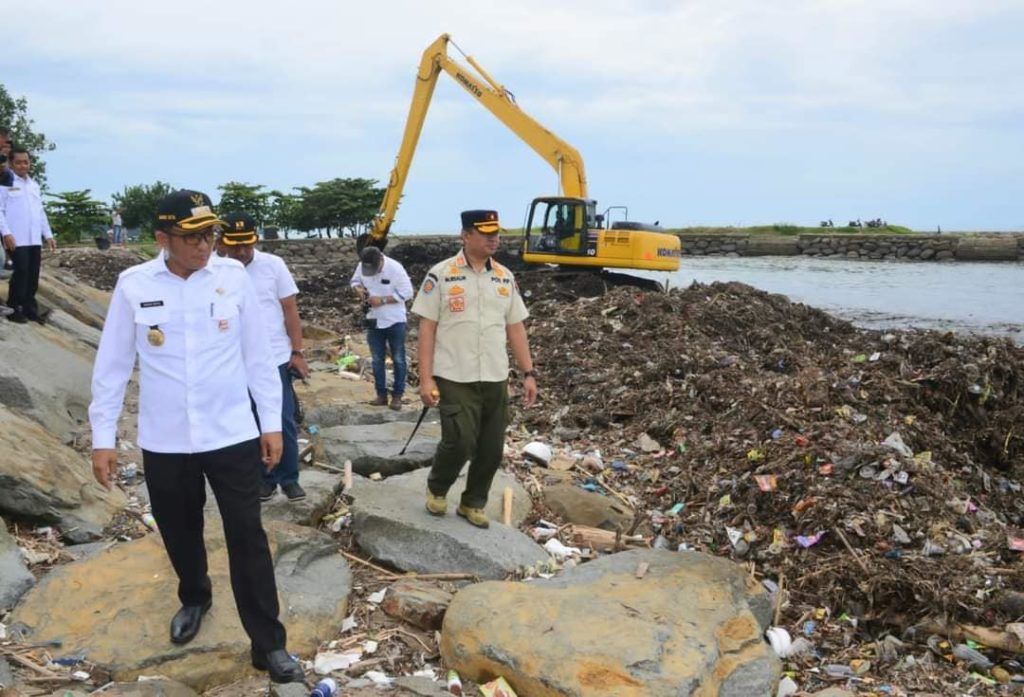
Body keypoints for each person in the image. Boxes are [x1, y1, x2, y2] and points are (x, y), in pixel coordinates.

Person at [88, 190, 303, 684]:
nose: (205, 245)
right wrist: (103, 438)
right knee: (180, 531)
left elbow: (258, 356)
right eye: (192, 238)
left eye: (209, 234)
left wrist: (272, 424)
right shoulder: (133, 285)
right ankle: (195, 597)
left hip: (231, 432)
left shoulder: (233, 279)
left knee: (246, 535)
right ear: (163, 239)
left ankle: (268, 643)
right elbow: (114, 365)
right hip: (165, 438)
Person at [411, 209, 538, 528]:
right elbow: (427, 328)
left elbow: (516, 328)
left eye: (496, 233)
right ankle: (438, 488)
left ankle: (473, 502)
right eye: (486, 233)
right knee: (460, 440)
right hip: (454, 374)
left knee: (492, 447)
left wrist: (528, 373)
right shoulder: (441, 274)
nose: (494, 238)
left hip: (495, 375)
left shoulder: (504, 277)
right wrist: (425, 379)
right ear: (466, 236)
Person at [215, 211, 309, 502]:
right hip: (232, 360)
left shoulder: (273, 265)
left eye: (248, 244)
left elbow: (289, 310)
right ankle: (264, 479)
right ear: (222, 242)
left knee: (282, 419)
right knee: (248, 421)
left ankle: (289, 478)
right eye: (236, 245)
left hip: (275, 357)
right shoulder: (214, 270)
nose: (242, 251)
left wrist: (297, 352)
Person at [350, 246, 413, 410]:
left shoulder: (395, 268)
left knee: (398, 358)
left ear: (381, 260)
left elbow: (407, 293)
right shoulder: (363, 265)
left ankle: (398, 395)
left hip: (395, 320)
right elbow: (355, 281)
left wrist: (383, 300)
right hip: (373, 319)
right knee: (377, 360)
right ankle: (381, 395)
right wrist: (359, 291)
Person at [0, 147, 56, 324]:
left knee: (33, 274)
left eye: (26, 162)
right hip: (16, 238)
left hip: (33, 238)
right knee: (21, 272)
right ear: (10, 163)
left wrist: (48, 235)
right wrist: (6, 233)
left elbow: (40, 212)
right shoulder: (5, 183)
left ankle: (30, 309)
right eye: (18, 162)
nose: (23, 165)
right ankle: (14, 307)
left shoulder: (34, 185)